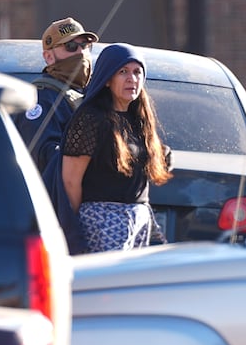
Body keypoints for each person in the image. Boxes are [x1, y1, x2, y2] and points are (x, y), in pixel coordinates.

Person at [61, 43, 172, 253]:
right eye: (123, 72)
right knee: (107, 284)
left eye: (137, 72)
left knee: (132, 286)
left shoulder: (139, 117)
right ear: (107, 79)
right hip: (103, 219)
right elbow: (70, 180)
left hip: (139, 218)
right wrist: (72, 229)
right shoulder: (90, 119)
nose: (132, 79)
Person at [14, 17, 99, 173]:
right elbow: (43, 156)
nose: (81, 52)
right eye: (71, 46)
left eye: (85, 45)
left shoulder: (95, 92)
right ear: (48, 57)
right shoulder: (42, 98)